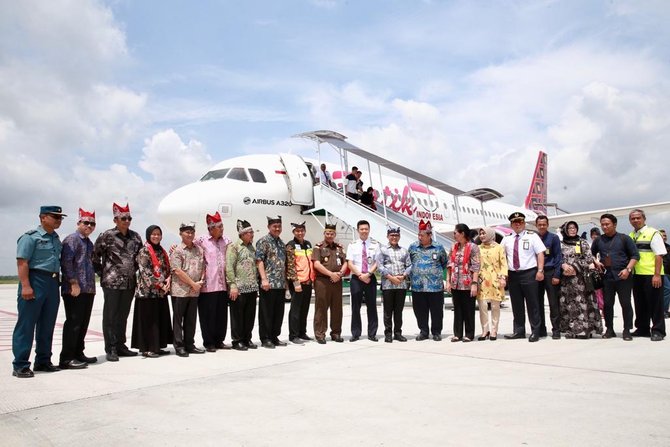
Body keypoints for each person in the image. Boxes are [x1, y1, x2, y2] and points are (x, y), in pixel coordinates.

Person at [12, 206, 66, 378]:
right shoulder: (30, 237)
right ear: (43, 217)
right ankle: (20, 364)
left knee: (47, 324)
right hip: (35, 280)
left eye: (60, 217)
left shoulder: (56, 238)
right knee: (26, 324)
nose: (58, 220)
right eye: (54, 216)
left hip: (52, 282)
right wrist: (26, 286)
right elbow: (22, 263)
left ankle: (43, 360)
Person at [93, 203, 143, 362]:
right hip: (112, 284)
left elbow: (140, 258)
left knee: (123, 315)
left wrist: (132, 271)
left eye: (129, 218)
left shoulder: (135, 237)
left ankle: (121, 346)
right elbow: (94, 257)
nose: (127, 221)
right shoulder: (107, 236)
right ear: (115, 219)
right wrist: (104, 274)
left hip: (129, 283)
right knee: (110, 316)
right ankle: (111, 348)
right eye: (123, 218)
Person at [59, 208, 97, 370]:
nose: (89, 225)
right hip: (74, 289)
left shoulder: (89, 243)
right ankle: (67, 358)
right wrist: (73, 283)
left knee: (83, 323)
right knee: (73, 323)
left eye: (92, 223)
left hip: (88, 289)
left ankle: (78, 353)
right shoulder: (72, 240)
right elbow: (66, 263)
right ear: (78, 223)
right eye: (86, 222)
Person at [591, 214, 639, 340]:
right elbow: (589, 254)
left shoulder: (624, 238)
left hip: (623, 277)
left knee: (625, 304)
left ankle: (627, 330)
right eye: (602, 224)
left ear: (614, 224)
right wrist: (595, 262)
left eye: (607, 224)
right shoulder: (598, 240)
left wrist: (628, 269)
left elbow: (635, 256)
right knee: (607, 304)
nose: (605, 227)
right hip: (606, 277)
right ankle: (610, 329)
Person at [501, 212, 546, 342]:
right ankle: (519, 331)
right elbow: (501, 257)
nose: (517, 224)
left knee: (533, 304)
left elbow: (540, 254)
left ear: (524, 223)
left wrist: (540, 270)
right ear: (511, 224)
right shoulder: (506, 239)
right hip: (513, 275)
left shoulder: (532, 237)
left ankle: (535, 331)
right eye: (515, 222)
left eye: (520, 222)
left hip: (529, 273)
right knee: (517, 304)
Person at [131, 225, 172, 357]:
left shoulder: (161, 251)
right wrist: (161, 284)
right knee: (148, 321)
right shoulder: (144, 251)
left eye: (158, 234)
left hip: (160, 293)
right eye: (153, 234)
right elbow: (145, 273)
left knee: (159, 320)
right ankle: (147, 348)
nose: (156, 236)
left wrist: (167, 282)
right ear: (148, 235)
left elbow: (167, 269)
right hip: (147, 293)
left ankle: (157, 346)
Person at [194, 211, 232, 352]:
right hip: (208, 285)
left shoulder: (227, 241)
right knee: (207, 316)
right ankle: (209, 342)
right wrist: (174, 247)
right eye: (219, 226)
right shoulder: (202, 240)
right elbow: (189, 245)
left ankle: (219, 340)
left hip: (222, 285)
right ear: (211, 229)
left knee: (221, 315)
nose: (222, 229)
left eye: (222, 226)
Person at [559, 221, 603, 338]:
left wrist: (574, 267)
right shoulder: (561, 244)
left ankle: (584, 330)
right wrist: (564, 266)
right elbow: (558, 258)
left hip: (581, 279)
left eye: (574, 228)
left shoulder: (582, 242)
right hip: (566, 280)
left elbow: (588, 259)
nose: (572, 230)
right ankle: (571, 330)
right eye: (570, 228)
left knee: (581, 303)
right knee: (569, 304)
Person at [629, 209, 667, 341]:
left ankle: (658, 330)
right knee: (640, 303)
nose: (635, 220)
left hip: (652, 274)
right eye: (633, 218)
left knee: (655, 303)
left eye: (638, 218)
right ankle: (643, 328)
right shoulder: (631, 235)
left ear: (644, 219)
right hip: (637, 275)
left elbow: (659, 254)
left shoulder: (653, 233)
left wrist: (657, 275)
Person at [408, 220, 448, 341]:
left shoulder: (439, 247)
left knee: (436, 311)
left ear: (429, 235)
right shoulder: (413, 247)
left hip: (434, 286)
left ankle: (436, 332)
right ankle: (423, 331)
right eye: (419, 235)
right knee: (420, 310)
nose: (420, 237)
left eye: (422, 235)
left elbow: (444, 262)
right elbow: (409, 263)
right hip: (417, 286)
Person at [170, 223, 206, 357]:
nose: (190, 235)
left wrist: (201, 281)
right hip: (180, 290)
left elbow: (203, 266)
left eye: (192, 232)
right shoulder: (177, 250)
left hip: (194, 290)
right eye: (187, 232)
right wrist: (193, 283)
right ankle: (179, 346)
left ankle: (190, 344)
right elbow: (177, 271)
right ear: (180, 234)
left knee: (191, 319)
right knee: (178, 319)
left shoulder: (199, 250)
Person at [226, 220, 259, 351]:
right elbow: (229, 267)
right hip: (238, 288)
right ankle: (237, 340)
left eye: (252, 232)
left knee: (250, 315)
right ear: (243, 234)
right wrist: (232, 285)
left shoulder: (252, 247)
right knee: (237, 316)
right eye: (250, 233)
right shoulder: (234, 247)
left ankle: (247, 338)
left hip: (251, 287)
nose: (252, 235)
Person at [311, 223, 348, 344]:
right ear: (324, 234)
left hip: (337, 281)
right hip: (323, 281)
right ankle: (320, 334)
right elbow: (316, 264)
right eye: (327, 233)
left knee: (337, 308)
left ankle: (336, 333)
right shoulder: (318, 247)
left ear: (335, 234)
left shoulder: (339, 248)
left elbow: (345, 262)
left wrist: (340, 273)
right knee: (321, 308)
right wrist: (330, 274)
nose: (330, 235)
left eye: (332, 233)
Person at [256, 215, 288, 349]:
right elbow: (259, 261)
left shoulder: (281, 243)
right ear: (268, 227)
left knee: (278, 312)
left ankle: (274, 336)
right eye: (274, 226)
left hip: (280, 283)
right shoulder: (263, 241)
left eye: (279, 226)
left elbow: (283, 264)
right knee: (266, 312)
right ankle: (266, 338)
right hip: (268, 284)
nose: (277, 228)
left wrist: (285, 281)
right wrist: (264, 279)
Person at [375, 226, 412, 343]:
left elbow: (410, 265)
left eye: (396, 235)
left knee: (398, 311)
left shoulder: (404, 251)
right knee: (387, 311)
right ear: (388, 237)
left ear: (399, 237)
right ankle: (388, 334)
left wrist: (404, 275)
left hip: (401, 285)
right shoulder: (382, 249)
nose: (394, 237)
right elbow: (379, 266)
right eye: (392, 235)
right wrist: (391, 277)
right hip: (388, 285)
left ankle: (398, 333)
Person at [347, 220, 380, 342]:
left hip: (370, 277)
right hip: (357, 278)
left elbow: (377, 262)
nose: (364, 231)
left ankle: (372, 333)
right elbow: (349, 263)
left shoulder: (375, 245)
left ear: (369, 230)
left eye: (366, 229)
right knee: (356, 307)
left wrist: (369, 274)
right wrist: (360, 275)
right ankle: (355, 333)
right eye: (362, 229)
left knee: (372, 306)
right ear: (358, 230)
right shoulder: (352, 245)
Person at [447, 224, 481, 342]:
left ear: (462, 234)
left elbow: (476, 267)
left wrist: (474, 283)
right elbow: (449, 265)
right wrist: (448, 281)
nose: (454, 235)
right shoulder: (453, 247)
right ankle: (457, 334)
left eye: (455, 233)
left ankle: (469, 334)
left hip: (468, 282)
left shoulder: (473, 247)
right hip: (455, 282)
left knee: (468, 309)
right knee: (457, 309)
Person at [476, 227, 508, 341]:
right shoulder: (478, 248)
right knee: (482, 306)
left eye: (484, 233)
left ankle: (494, 330)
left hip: (495, 279)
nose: (482, 235)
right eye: (480, 234)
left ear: (490, 234)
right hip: (482, 280)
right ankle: (485, 330)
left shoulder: (499, 248)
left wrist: (503, 277)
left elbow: (503, 264)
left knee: (495, 306)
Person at [286, 221, 315, 344]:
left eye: (302, 230)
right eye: (297, 231)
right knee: (295, 310)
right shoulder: (290, 245)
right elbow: (290, 265)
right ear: (293, 232)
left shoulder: (308, 244)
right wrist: (295, 282)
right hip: (297, 283)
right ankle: (294, 335)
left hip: (308, 282)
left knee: (305, 309)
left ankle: (302, 332)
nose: (300, 233)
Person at [535, 215, 563, 339]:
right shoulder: (533, 238)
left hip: (550, 272)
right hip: (537, 273)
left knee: (553, 303)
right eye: (539, 224)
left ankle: (556, 329)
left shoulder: (553, 238)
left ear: (547, 224)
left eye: (544, 224)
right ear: (536, 225)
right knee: (538, 302)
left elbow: (558, 257)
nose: (541, 226)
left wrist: (557, 274)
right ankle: (541, 329)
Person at [659, 229, 670, 318]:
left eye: (665, 236)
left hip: (668, 272)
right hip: (662, 272)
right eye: (662, 236)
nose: (664, 237)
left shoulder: (668, 247)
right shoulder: (656, 247)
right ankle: (663, 310)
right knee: (667, 289)